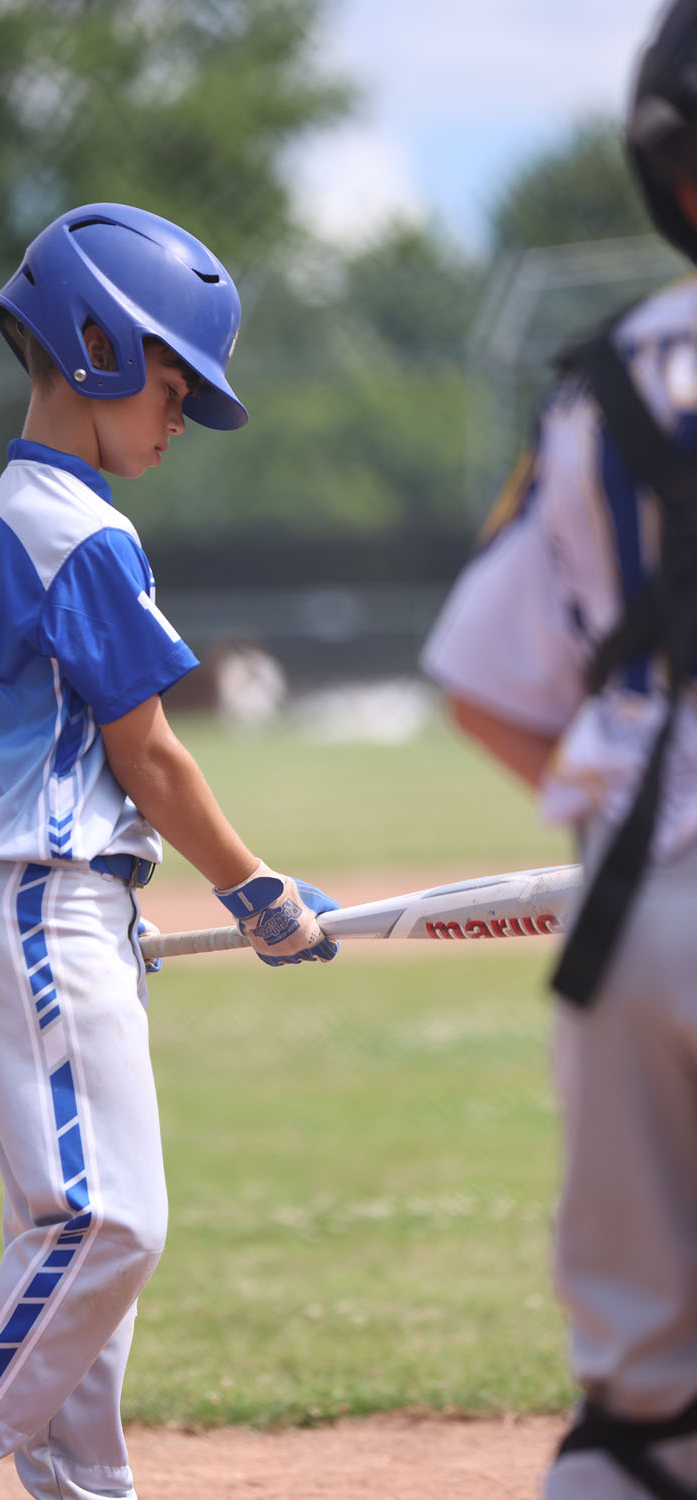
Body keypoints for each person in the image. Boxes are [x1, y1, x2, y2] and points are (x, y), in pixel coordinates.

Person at [0, 203, 339, 1500]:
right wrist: (256, 888)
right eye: (174, 388)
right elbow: (150, 756)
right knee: (108, 1225)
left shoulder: (19, 507)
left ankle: (81, 1491)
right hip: (37, 905)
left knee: (75, 1238)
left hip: (57, 905)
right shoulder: (80, 528)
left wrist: (118, 909)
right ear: (99, 344)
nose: (179, 420)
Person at [421, 4, 697, 1496]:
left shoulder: (599, 386)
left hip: (626, 919)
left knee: (641, 1418)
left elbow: (482, 678)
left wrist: (623, 840)